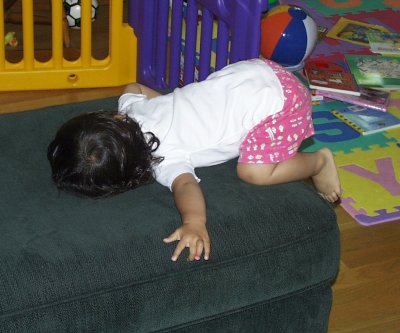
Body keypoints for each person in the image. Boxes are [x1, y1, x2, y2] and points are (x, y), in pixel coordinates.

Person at [48, 58, 341, 262]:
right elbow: (132, 87)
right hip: (256, 71)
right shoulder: (131, 111)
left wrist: (194, 222)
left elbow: (186, 186)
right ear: (114, 118)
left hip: (282, 106)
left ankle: (318, 162)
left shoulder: (162, 158)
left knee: (254, 172)